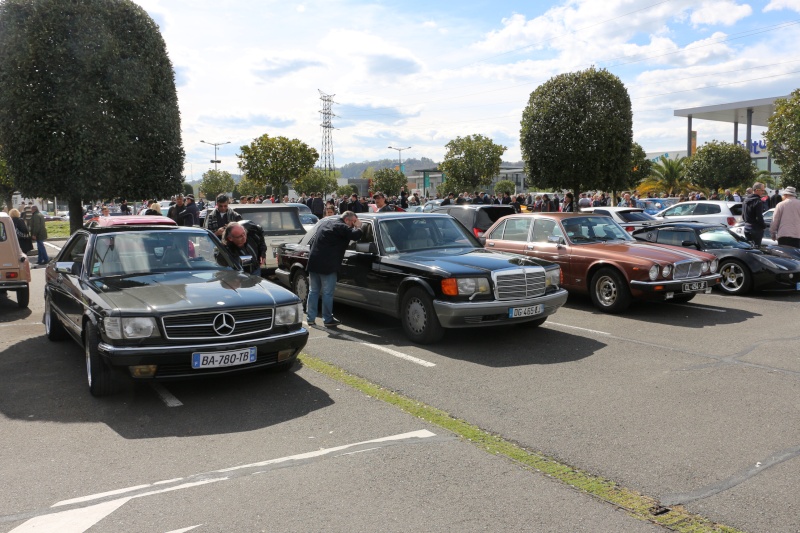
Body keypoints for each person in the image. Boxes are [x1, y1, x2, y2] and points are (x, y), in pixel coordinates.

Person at [305, 211, 362, 327]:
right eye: (353, 222)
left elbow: (312, 243)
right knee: (327, 293)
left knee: (313, 291)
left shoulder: (325, 223)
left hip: (314, 262)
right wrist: (359, 227)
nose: (353, 225)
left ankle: (310, 318)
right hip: (328, 265)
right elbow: (355, 236)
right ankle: (327, 319)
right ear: (347, 220)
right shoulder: (342, 227)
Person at [742, 182, 768, 246]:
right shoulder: (758, 201)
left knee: (749, 249)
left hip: (746, 228)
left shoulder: (745, 200)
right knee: (756, 250)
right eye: (762, 190)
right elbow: (759, 217)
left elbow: (743, 215)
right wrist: (764, 226)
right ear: (756, 190)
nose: (763, 192)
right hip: (755, 229)